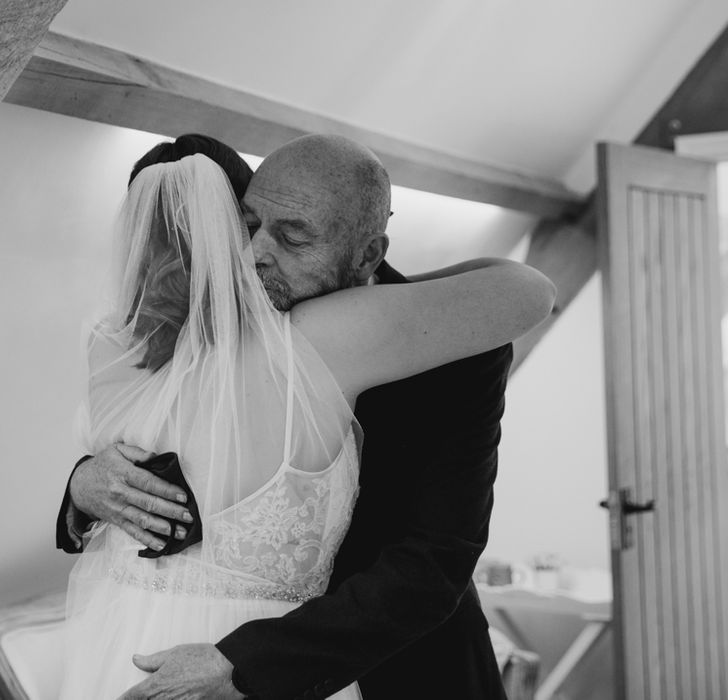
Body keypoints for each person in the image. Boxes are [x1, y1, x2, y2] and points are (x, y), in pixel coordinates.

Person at [57, 133, 555, 699]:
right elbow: (163, 434)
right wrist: (84, 484)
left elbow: (432, 564)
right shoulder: (211, 327)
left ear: (368, 254)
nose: (256, 253)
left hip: (397, 671)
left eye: (293, 238)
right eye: (246, 226)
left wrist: (248, 666)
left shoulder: (455, 343)